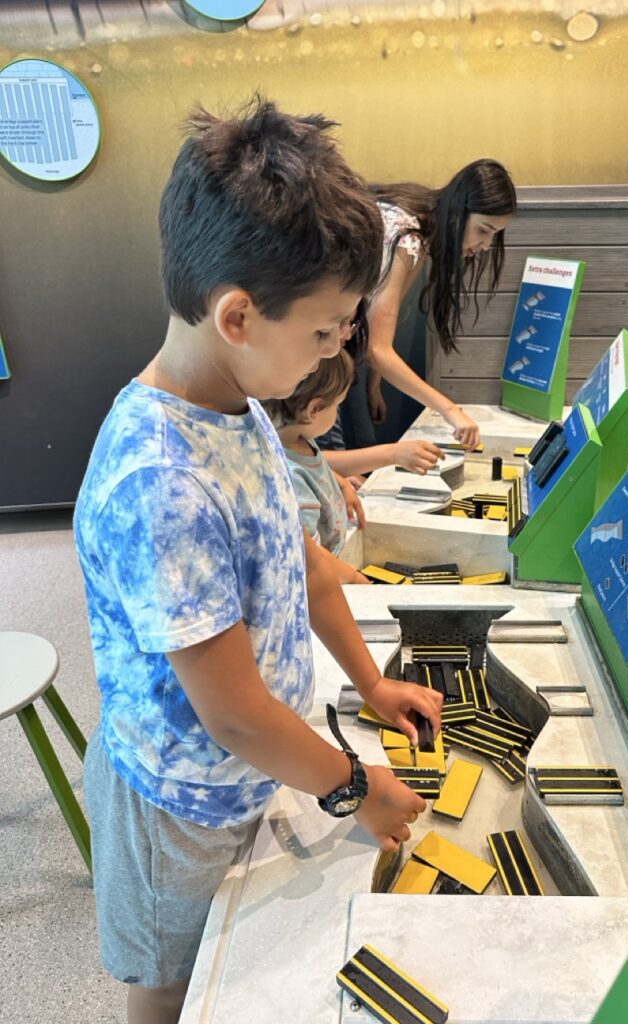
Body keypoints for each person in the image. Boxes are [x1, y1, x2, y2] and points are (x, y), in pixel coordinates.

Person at [73, 97, 442, 1024]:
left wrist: (369, 682)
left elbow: (301, 559)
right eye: (324, 331)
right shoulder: (161, 480)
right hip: (179, 804)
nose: (337, 349)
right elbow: (233, 713)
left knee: (231, 959)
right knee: (175, 980)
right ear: (238, 315)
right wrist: (353, 787)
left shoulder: (239, 409)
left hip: (251, 767)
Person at [350, 160, 517, 452]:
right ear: (458, 213)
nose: (486, 245)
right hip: (321, 349)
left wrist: (373, 384)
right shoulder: (406, 236)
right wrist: (449, 409)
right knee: (343, 450)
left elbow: (376, 323)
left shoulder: (422, 226)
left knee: (360, 444)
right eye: (483, 230)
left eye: (494, 234)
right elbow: (376, 349)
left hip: (346, 342)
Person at [265, 349, 444, 583]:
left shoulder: (301, 441)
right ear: (313, 410)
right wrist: (354, 578)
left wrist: (339, 483)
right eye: (337, 405)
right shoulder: (292, 476)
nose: (338, 411)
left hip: (338, 564)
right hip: (328, 581)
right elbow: (310, 557)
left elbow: (317, 466)